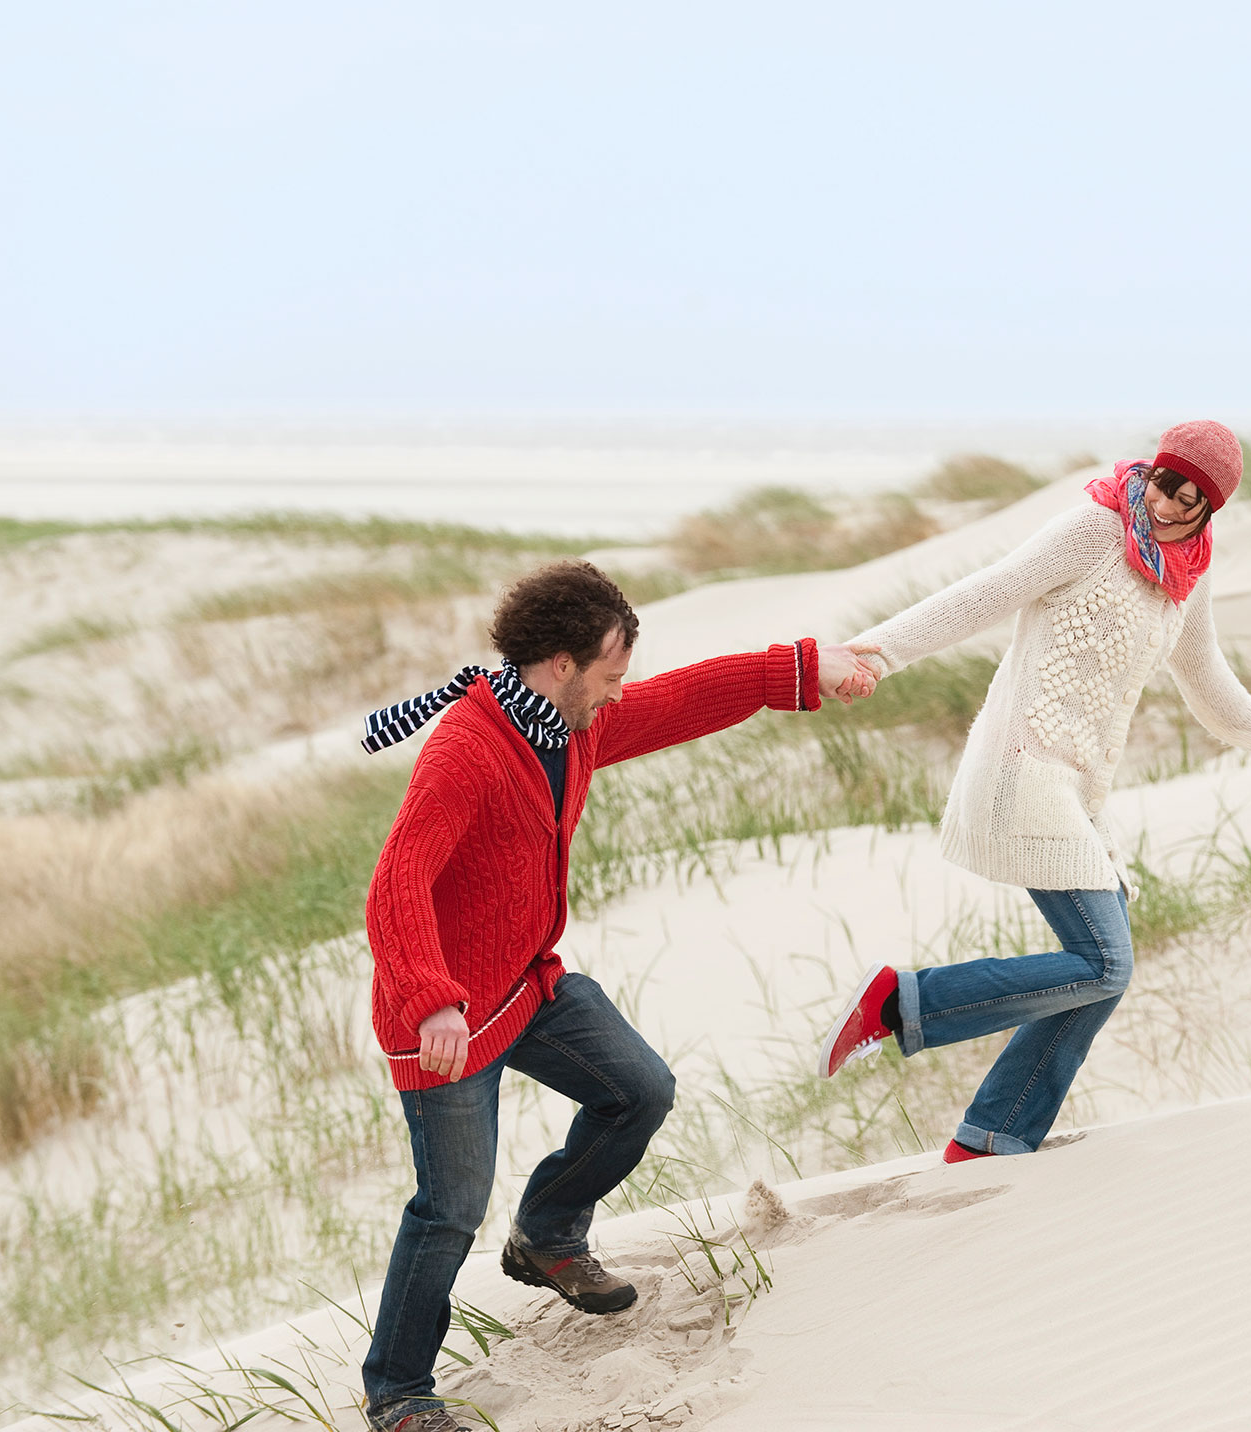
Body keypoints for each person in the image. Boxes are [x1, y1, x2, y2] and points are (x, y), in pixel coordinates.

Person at [356, 560, 876, 1432]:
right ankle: (398, 1392)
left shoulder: (571, 724)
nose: (618, 691)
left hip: (527, 983)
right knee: (447, 1210)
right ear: (559, 664)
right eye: (609, 674)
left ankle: (548, 1232)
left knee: (639, 1089)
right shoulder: (467, 750)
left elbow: (684, 699)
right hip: (445, 1020)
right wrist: (430, 997)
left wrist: (802, 668)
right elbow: (396, 878)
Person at [817, 421, 1251, 1160]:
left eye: (1193, 501)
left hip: (1077, 786)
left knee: (1102, 965)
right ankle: (899, 1004)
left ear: (1208, 512)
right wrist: (876, 651)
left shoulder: (1190, 567)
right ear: (1151, 472)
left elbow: (1200, 662)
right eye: (1167, 485)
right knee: (1105, 961)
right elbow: (988, 592)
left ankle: (997, 1132)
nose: (1170, 507)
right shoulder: (1095, 528)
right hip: (1021, 767)